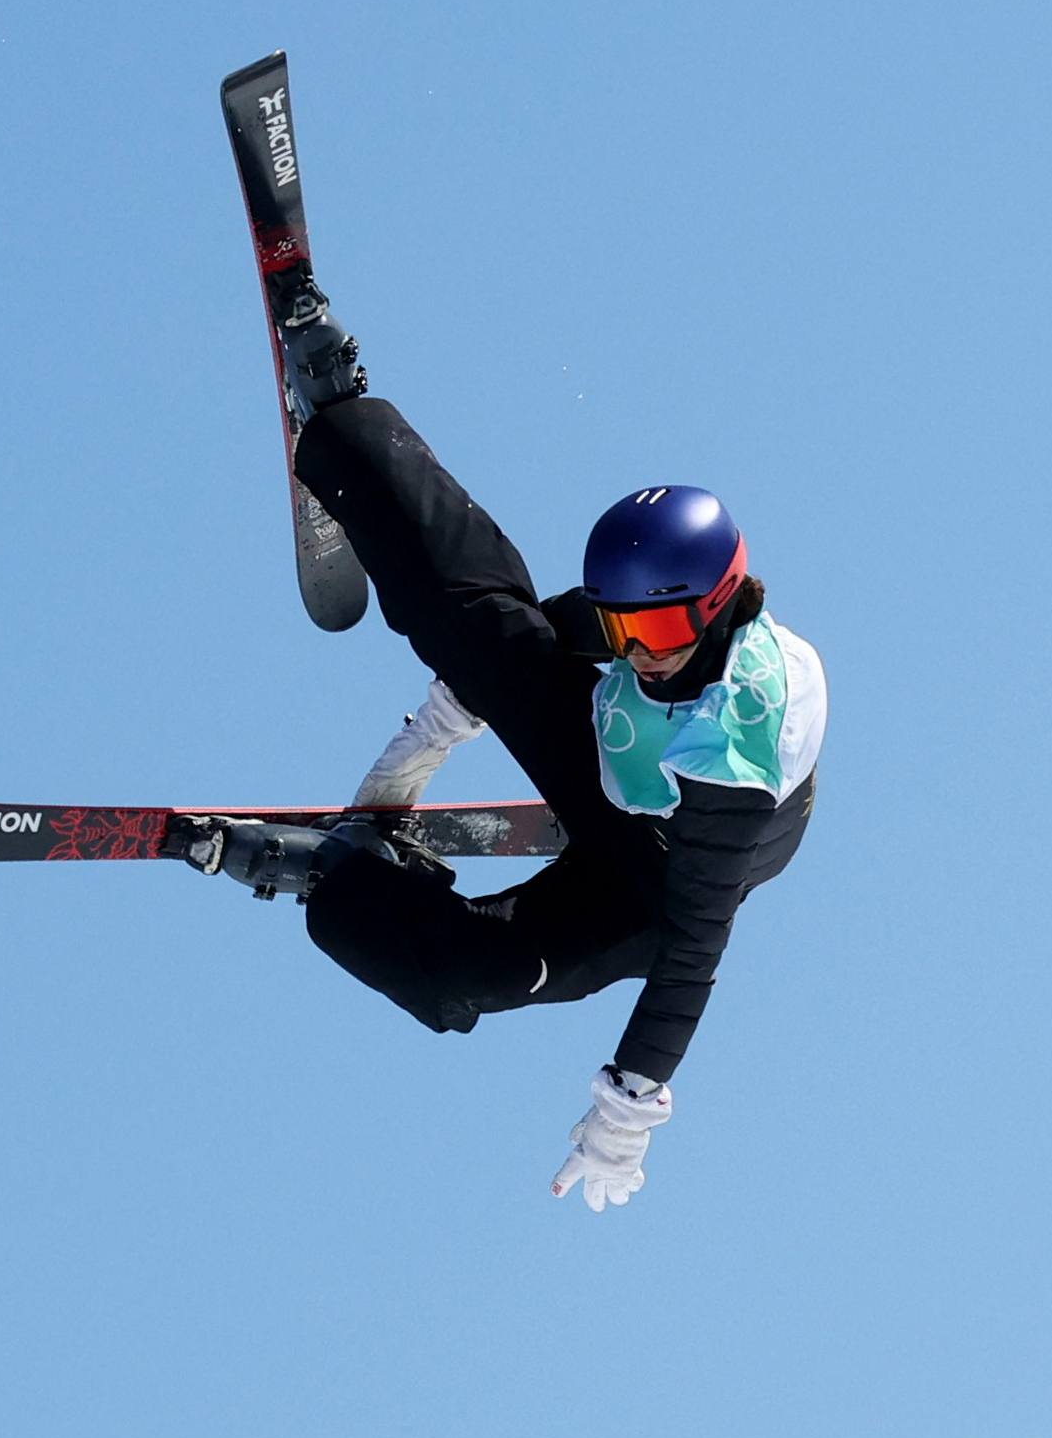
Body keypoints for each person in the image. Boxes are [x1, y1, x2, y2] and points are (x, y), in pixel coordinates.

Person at [171, 297, 827, 1211]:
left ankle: (341, 875)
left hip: (660, 885)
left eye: (663, 626)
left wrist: (628, 1106)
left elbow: (692, 950)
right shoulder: (642, 630)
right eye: (623, 625)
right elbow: (549, 626)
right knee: (472, 623)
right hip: (611, 764)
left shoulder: (735, 752)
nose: (640, 648)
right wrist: (454, 707)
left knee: (461, 977)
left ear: (719, 601)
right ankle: (342, 421)